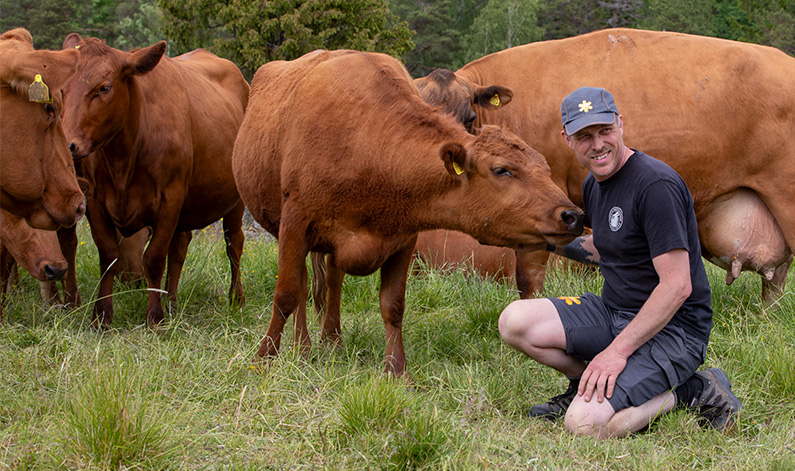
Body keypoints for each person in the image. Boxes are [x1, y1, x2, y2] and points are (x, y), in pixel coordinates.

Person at [498, 87, 742, 439]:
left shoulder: (655, 185)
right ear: (567, 139)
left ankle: (695, 390)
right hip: (613, 312)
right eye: (584, 136)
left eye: (604, 131)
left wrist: (615, 353)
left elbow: (677, 286)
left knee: (584, 425)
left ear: (621, 124)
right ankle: (586, 385)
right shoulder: (594, 184)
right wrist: (541, 241)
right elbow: (608, 247)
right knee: (514, 322)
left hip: (675, 331)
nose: (597, 145)